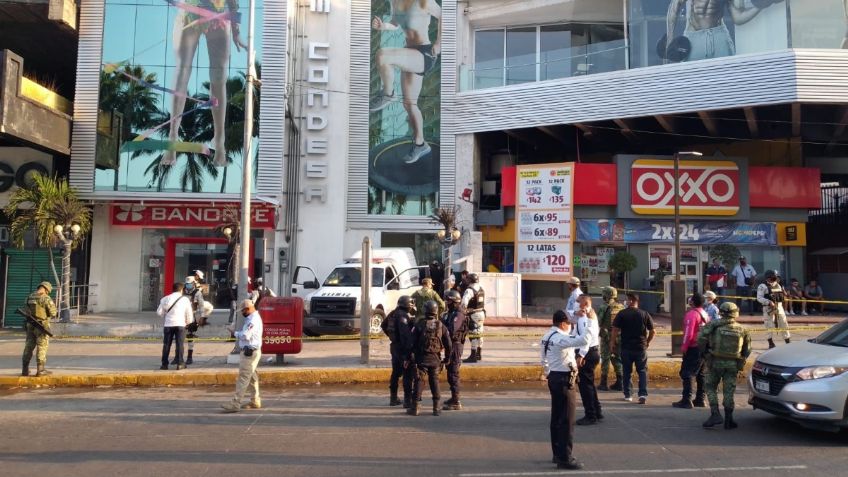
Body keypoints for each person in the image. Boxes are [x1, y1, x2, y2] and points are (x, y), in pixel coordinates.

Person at [162, 0, 246, 167]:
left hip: (217, 13)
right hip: (193, 11)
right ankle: (173, 137)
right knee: (183, 71)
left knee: (218, 76)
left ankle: (219, 140)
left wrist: (235, 29)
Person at [370, 0, 442, 165]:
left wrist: (439, 44)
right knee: (409, 104)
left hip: (425, 53)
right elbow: (395, 24)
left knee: (383, 55)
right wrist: (383, 26)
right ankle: (420, 144)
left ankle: (388, 94)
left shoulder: (424, 2)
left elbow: (444, 16)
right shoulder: (395, 2)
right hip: (410, 53)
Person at [540, 310, 588, 470]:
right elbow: (585, 339)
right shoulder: (561, 338)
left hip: (554, 377)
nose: (571, 326)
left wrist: (548, 373)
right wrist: (586, 319)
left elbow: (544, 360)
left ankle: (557, 453)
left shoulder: (547, 336)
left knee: (556, 418)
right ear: (562, 324)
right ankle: (565, 458)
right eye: (570, 324)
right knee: (567, 420)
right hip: (564, 380)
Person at [665, 0, 779, 63]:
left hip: (719, 37)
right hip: (695, 39)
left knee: (728, 81)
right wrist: (669, 39)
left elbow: (737, 18)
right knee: (692, 84)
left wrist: (762, 6)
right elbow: (673, 9)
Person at [698, 302, 752, 429]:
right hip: (732, 364)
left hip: (714, 362)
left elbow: (700, 338)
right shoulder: (743, 329)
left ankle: (715, 414)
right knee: (729, 391)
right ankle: (729, 419)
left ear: (721, 312)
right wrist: (741, 358)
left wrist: (704, 353)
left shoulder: (713, 325)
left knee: (710, 387)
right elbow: (747, 350)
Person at [407, 300, 451, 416]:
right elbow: (448, 344)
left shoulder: (419, 324)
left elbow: (411, 343)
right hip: (435, 359)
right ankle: (436, 408)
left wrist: (409, 357)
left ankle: (415, 407)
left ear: (425, 311)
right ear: (436, 311)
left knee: (419, 381)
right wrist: (447, 358)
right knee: (434, 382)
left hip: (421, 358)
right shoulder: (441, 326)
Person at [610, 293, 655, 404]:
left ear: (629, 301)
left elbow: (615, 329)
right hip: (641, 347)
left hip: (626, 347)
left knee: (627, 371)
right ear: (637, 301)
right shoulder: (644, 314)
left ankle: (628, 394)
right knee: (642, 371)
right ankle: (643, 394)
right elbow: (653, 331)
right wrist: (647, 342)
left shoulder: (622, 314)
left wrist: (612, 343)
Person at [222, 299, 264, 412]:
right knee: (252, 377)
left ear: (248, 309)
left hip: (249, 353)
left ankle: (235, 403)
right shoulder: (252, 318)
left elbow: (245, 335)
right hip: (252, 351)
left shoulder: (253, 320)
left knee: (243, 378)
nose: (242, 313)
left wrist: (234, 332)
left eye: (243, 311)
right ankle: (255, 400)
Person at [673, 293, 709, 409]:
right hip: (704, 347)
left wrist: (684, 347)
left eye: (691, 299)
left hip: (693, 347)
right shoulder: (704, 313)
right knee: (701, 374)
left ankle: (686, 400)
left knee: (687, 373)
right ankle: (700, 399)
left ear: (692, 302)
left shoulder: (692, 314)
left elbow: (688, 333)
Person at [381, 295, 416, 406]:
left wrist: (392, 337)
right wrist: (408, 353)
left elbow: (383, 325)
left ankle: (393, 398)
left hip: (394, 347)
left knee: (395, 373)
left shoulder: (393, 313)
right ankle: (407, 400)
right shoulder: (403, 317)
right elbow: (405, 336)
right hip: (402, 348)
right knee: (407, 374)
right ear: (408, 305)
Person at [574, 295, 603, 425]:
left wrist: (581, 355)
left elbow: (587, 337)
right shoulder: (584, 314)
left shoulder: (587, 316)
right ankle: (597, 411)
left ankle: (590, 415)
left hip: (588, 353)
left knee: (585, 386)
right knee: (589, 385)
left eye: (578, 302)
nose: (576, 304)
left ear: (585, 303)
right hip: (590, 352)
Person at [21, 281, 58, 377]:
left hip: (30, 325)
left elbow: (25, 310)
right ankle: (40, 370)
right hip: (41, 326)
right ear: (46, 289)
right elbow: (53, 313)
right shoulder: (46, 298)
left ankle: (25, 370)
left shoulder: (29, 296)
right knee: (42, 347)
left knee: (28, 346)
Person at [440, 289, 468, 411]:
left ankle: (456, 400)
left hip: (455, 346)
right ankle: (453, 397)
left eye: (449, 301)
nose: (447, 303)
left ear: (454, 302)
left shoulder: (459, 314)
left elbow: (452, 330)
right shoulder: (451, 312)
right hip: (450, 345)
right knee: (450, 371)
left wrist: (442, 328)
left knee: (453, 372)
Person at [157, 283, 193, 370]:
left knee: (166, 345)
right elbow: (189, 313)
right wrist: (188, 322)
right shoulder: (185, 299)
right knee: (180, 344)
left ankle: (164, 364)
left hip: (168, 325)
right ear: (181, 290)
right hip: (181, 324)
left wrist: (166, 315)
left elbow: (159, 312)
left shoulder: (165, 299)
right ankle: (180, 363)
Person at [598, 286, 624, 392]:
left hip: (607, 335)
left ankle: (603, 383)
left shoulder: (604, 307)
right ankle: (620, 382)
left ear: (606, 295)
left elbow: (599, 322)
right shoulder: (621, 306)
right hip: (619, 335)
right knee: (617, 357)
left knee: (605, 358)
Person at [757, 270, 790, 349]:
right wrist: (768, 302)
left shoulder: (778, 285)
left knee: (784, 323)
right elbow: (759, 298)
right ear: (768, 277)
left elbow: (784, 295)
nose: (775, 278)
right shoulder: (762, 286)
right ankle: (770, 342)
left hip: (779, 307)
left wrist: (783, 293)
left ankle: (788, 341)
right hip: (768, 308)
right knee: (769, 325)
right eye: (773, 277)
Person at [461, 272, 486, 363]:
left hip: (473, 314)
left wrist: (462, 311)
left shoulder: (469, 290)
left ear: (470, 280)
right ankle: (479, 353)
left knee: (473, 333)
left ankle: (473, 355)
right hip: (481, 313)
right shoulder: (481, 288)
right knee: (480, 333)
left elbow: (464, 303)